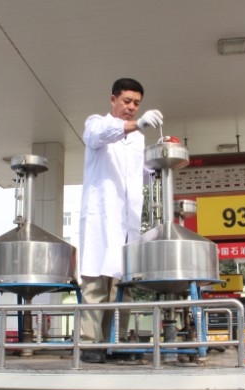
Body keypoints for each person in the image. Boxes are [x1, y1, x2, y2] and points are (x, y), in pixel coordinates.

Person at [78, 78, 163, 363]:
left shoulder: (137, 138)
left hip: (127, 225)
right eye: (127, 101)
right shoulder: (96, 124)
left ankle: (116, 342)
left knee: (122, 289)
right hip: (101, 222)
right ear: (113, 99)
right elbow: (101, 135)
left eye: (136, 103)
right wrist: (138, 124)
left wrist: (159, 158)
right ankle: (90, 344)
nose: (132, 107)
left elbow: (139, 174)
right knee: (95, 287)